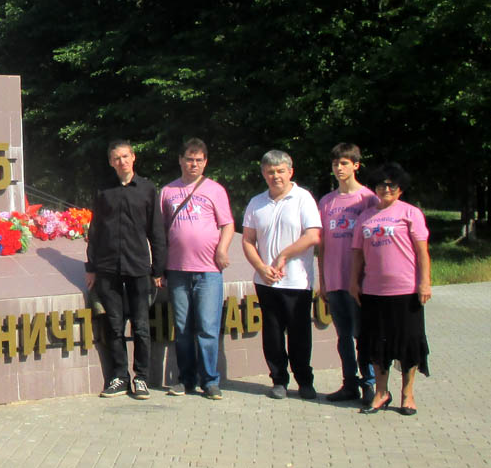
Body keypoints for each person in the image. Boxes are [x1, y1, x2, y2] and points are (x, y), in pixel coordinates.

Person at [85, 140, 167, 399]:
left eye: (125, 156)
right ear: (111, 163)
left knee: (141, 326)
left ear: (133, 157)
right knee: (114, 325)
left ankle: (141, 377)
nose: (122, 162)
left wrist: (158, 270)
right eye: (116, 158)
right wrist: (91, 266)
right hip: (108, 268)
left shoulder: (146, 189)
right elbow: (95, 230)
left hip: (138, 267)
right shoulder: (103, 190)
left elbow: (156, 231)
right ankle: (119, 376)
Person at [350, 163, 432, 416]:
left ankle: (408, 395)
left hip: (406, 291)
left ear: (400, 189)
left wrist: (424, 282)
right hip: (373, 292)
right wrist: (354, 282)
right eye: (380, 185)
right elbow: (357, 254)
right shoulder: (365, 216)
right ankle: (381, 393)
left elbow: (422, 251)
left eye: (391, 185)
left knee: (409, 344)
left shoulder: (410, 213)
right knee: (377, 345)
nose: (385, 189)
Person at [241, 149, 322, 400]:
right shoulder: (257, 202)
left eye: (280, 171)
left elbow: (313, 236)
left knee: (299, 334)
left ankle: (304, 381)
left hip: (297, 281)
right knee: (272, 333)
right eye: (270, 172)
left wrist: (283, 255)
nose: (275, 176)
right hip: (266, 281)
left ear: (290, 172)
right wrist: (261, 267)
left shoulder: (303, 198)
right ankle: (278, 380)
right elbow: (248, 240)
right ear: (264, 174)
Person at [160, 138, 234, 400]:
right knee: (182, 328)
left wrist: (222, 250)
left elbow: (227, 225)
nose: (194, 164)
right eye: (189, 159)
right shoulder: (168, 191)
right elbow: (161, 231)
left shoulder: (215, 190)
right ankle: (186, 379)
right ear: (180, 160)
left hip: (208, 270)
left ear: (205, 162)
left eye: (199, 160)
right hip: (177, 269)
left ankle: (210, 381)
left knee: (207, 327)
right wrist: (160, 267)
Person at [317, 143, 378, 405]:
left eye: (344, 163)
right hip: (334, 280)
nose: (339, 168)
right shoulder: (327, 201)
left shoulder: (368, 199)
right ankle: (349, 384)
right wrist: (322, 280)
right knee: (343, 337)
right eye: (335, 164)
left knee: (363, 335)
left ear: (356, 165)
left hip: (360, 282)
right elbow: (322, 245)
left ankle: (371, 384)